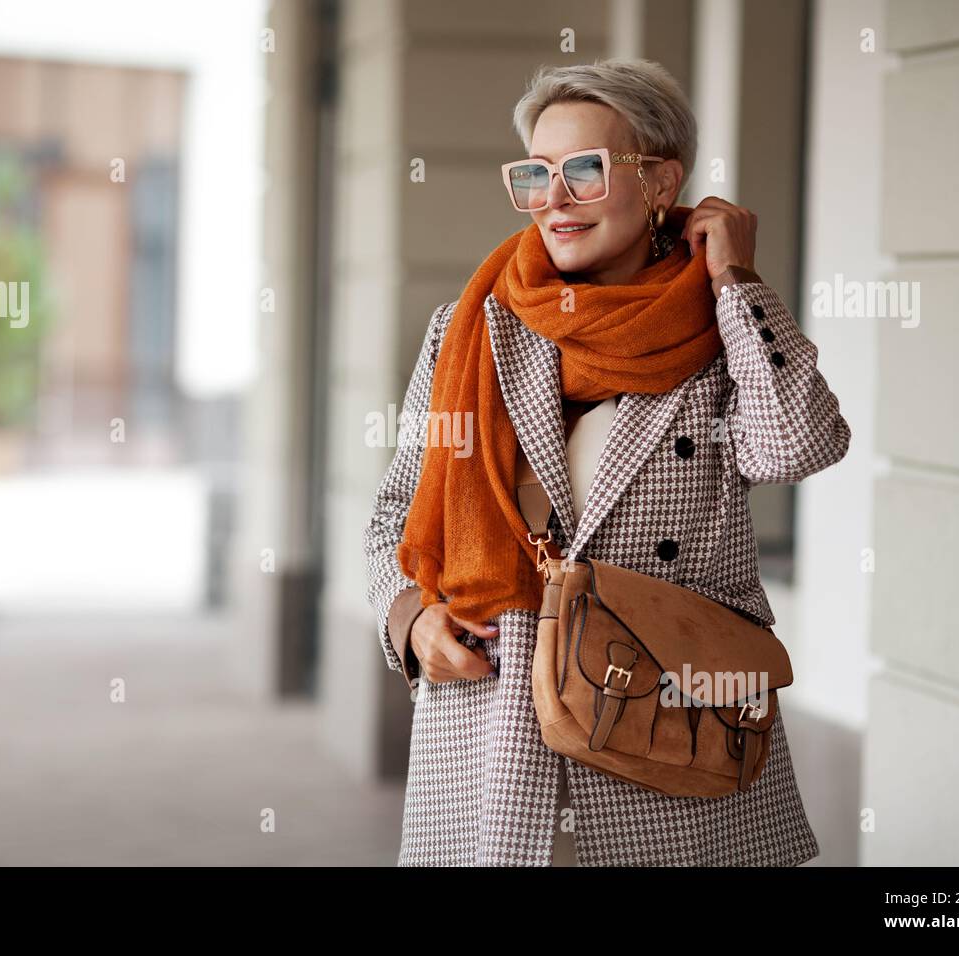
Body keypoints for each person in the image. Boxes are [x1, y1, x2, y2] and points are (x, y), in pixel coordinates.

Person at [363, 57, 850, 867]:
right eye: (536, 174)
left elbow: (798, 444)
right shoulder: (474, 330)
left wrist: (736, 278)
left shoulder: (722, 328)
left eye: (585, 171)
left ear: (661, 182)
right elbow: (393, 517)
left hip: (669, 726)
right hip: (500, 723)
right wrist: (411, 618)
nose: (554, 199)